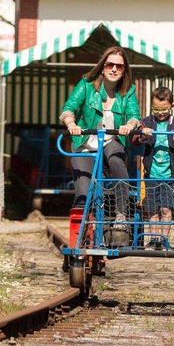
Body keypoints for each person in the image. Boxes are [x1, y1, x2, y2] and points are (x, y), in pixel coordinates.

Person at [59, 46, 141, 225]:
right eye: (110, 64)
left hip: (111, 139)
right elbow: (69, 108)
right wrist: (72, 124)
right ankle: (82, 228)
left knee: (117, 162)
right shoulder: (87, 84)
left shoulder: (129, 90)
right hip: (85, 141)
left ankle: (121, 214)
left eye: (119, 66)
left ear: (124, 70)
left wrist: (129, 124)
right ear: (102, 67)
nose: (114, 69)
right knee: (83, 188)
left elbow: (134, 114)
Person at [130, 86, 174, 249]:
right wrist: (142, 134)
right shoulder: (146, 122)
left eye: (164, 109)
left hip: (170, 175)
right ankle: (154, 238)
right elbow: (134, 140)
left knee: (166, 209)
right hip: (151, 174)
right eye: (156, 109)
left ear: (172, 106)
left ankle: (163, 239)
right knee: (152, 210)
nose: (160, 112)